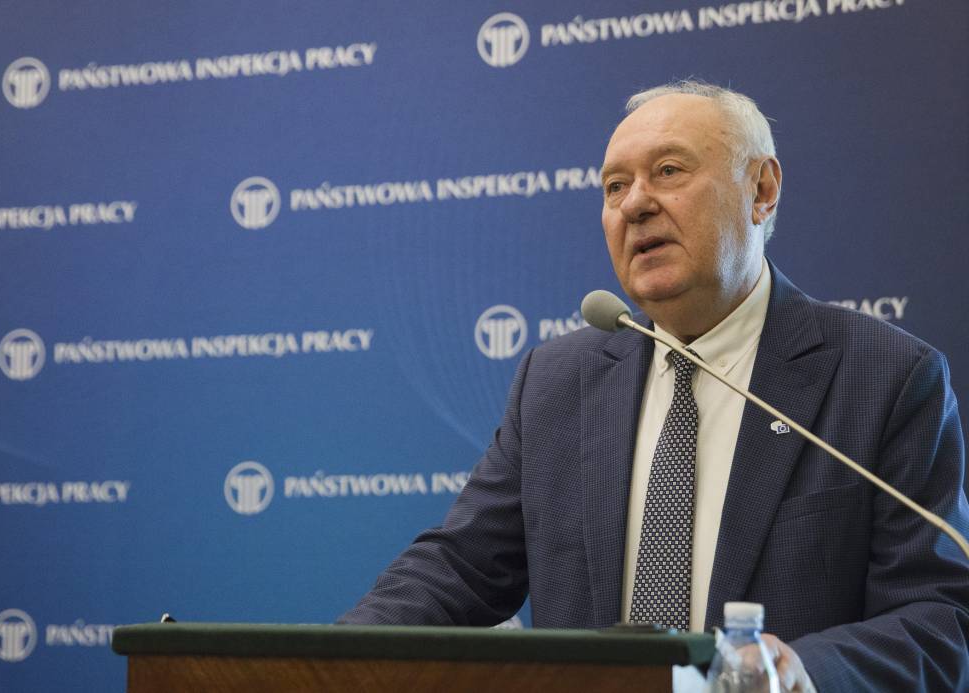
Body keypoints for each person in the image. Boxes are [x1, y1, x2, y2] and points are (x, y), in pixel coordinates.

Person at [339, 81, 969, 692]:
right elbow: (460, 568)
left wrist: (806, 672)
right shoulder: (558, 382)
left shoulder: (884, 376)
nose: (634, 204)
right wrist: (327, 661)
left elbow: (937, 617)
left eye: (668, 171)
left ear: (761, 190)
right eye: (615, 186)